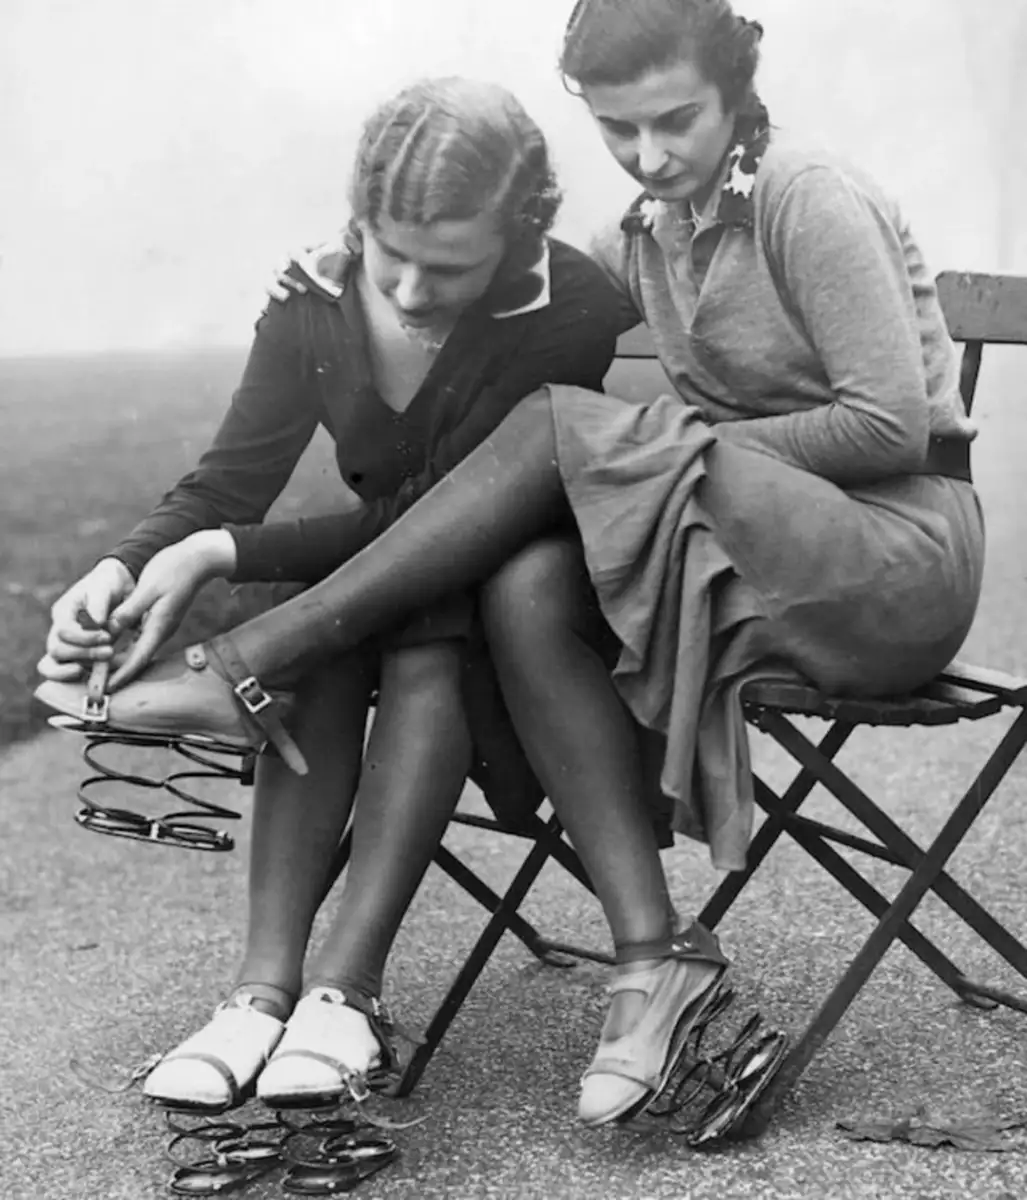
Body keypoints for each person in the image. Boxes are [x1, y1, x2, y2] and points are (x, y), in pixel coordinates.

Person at [38, 0, 984, 1130]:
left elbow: (885, 428)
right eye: (618, 128)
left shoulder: (803, 192)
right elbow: (518, 305)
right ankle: (652, 958)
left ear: (736, 87)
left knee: (557, 429)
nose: (648, 154)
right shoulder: (646, 233)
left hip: (893, 559)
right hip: (751, 561)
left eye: (676, 119)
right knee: (524, 580)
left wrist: (654, 451)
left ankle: (246, 661)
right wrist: (337, 272)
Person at [35, 77, 626, 1113]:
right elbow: (231, 478)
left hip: (545, 615)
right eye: (389, 252)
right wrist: (125, 566)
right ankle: (262, 994)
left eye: (449, 266)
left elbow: (447, 514)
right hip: (374, 607)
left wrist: (221, 555)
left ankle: (345, 988)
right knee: (367, 612)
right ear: (359, 217)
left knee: (427, 611)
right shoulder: (314, 296)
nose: (409, 290)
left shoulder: (564, 305)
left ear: (520, 229)